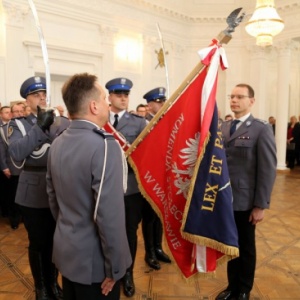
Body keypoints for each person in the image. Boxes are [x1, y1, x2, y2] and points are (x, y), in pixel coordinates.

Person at [46, 73, 131, 300]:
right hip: (96, 265)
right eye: (104, 98)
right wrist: (115, 267)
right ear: (94, 106)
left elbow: (53, 199)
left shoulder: (57, 142)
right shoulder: (105, 146)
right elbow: (108, 215)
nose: (107, 103)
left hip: (68, 254)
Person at [8, 76, 70, 300]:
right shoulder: (18, 125)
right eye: (36, 94)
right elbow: (16, 153)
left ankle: (53, 283)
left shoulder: (59, 122)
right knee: (38, 241)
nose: (42, 96)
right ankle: (41, 287)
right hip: (32, 191)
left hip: (58, 189)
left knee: (55, 241)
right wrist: (39, 126)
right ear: (27, 100)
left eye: (44, 93)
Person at [216, 84, 276, 300]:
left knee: (246, 247)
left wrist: (261, 205)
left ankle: (243, 289)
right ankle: (231, 286)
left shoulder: (261, 128)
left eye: (239, 97)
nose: (234, 100)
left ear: (251, 101)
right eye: (231, 96)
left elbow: (267, 169)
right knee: (230, 245)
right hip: (224, 199)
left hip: (246, 201)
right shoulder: (224, 127)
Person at [105, 77, 152, 297]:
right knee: (104, 231)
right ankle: (108, 271)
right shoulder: (100, 119)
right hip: (104, 186)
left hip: (130, 188)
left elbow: (145, 156)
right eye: (118, 95)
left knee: (128, 232)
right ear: (109, 97)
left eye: (126, 95)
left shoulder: (138, 123)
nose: (123, 98)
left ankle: (128, 273)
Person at [142, 87, 171, 269]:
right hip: (147, 177)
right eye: (158, 102)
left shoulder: (165, 122)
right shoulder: (142, 124)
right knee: (149, 216)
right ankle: (150, 251)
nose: (161, 104)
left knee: (159, 215)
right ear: (149, 104)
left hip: (163, 176)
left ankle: (159, 248)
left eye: (163, 101)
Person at [0, 104, 24, 229]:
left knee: (24, 195)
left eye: (21, 111)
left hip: (27, 168)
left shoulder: (28, 126)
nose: (19, 113)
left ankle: (23, 217)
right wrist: (4, 166)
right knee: (13, 195)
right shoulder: (4, 128)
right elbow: (2, 150)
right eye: (16, 111)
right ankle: (14, 219)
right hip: (13, 167)